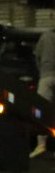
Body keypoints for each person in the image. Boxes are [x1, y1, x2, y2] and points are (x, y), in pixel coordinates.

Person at [32, 27, 55, 158]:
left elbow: (36, 57)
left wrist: (41, 71)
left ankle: (41, 144)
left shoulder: (45, 36)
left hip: (46, 76)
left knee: (41, 110)